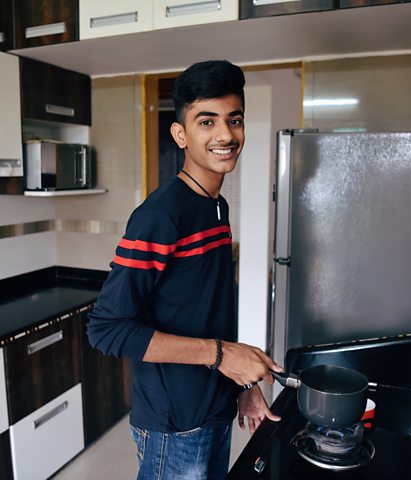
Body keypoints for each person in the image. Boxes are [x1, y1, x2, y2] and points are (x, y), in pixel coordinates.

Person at [87, 59, 282, 480]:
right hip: (175, 426)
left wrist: (243, 387)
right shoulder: (161, 216)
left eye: (234, 120)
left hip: (214, 408)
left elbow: (205, 310)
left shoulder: (215, 207)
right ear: (181, 135)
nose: (225, 134)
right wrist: (222, 355)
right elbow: (106, 328)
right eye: (206, 121)